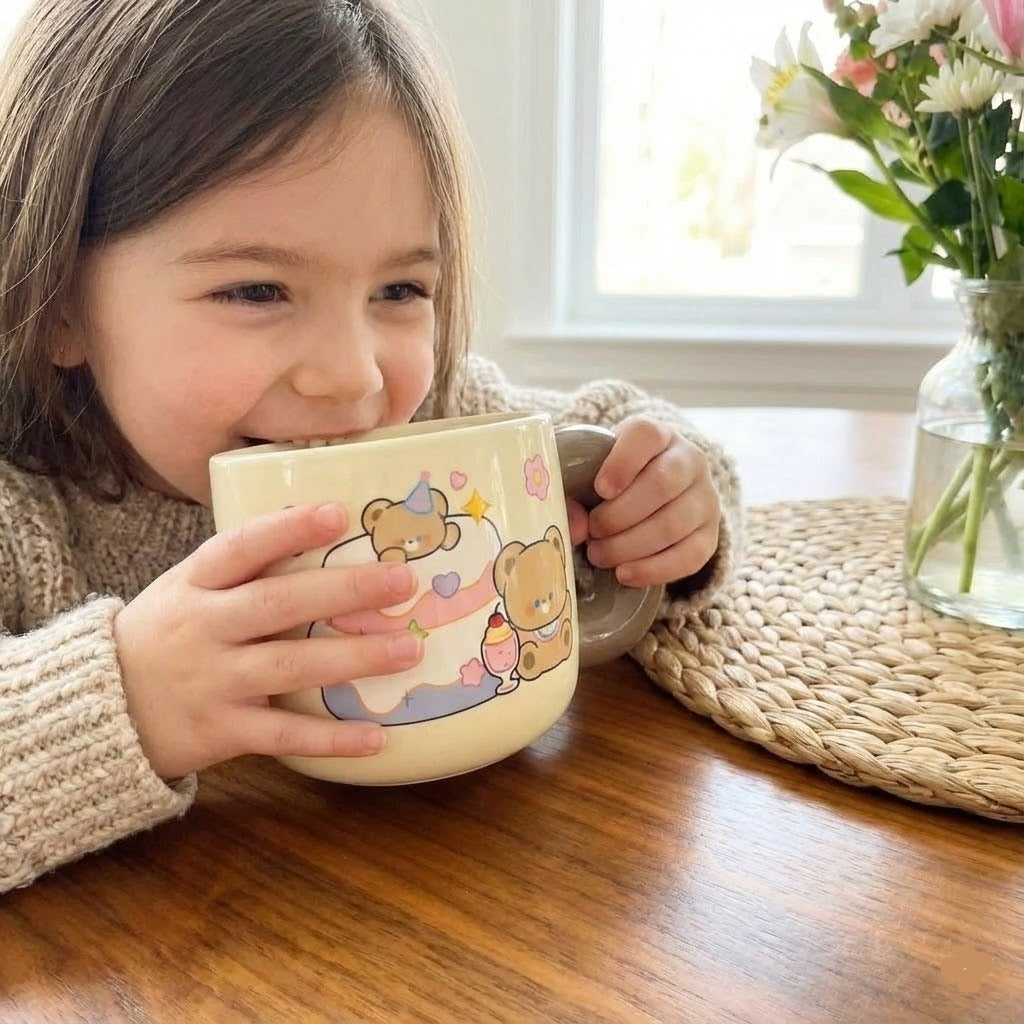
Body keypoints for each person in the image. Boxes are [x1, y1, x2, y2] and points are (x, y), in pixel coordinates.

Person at [0, 0, 742, 893]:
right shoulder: (23, 517)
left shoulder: (434, 420)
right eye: (256, 290)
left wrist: (668, 502)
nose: (352, 379)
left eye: (399, 287)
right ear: (58, 305)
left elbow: (624, 429)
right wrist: (127, 700)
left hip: (512, 875)